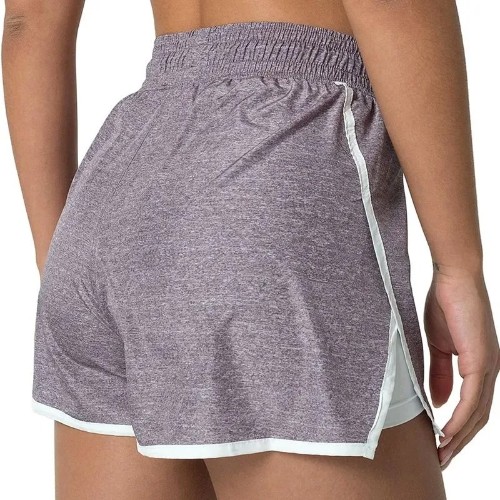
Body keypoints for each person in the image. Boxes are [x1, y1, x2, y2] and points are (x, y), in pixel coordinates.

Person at [3, 0, 499, 498]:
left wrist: (59, 264)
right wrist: (458, 267)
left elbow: (29, 18)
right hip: (277, 164)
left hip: (114, 186)